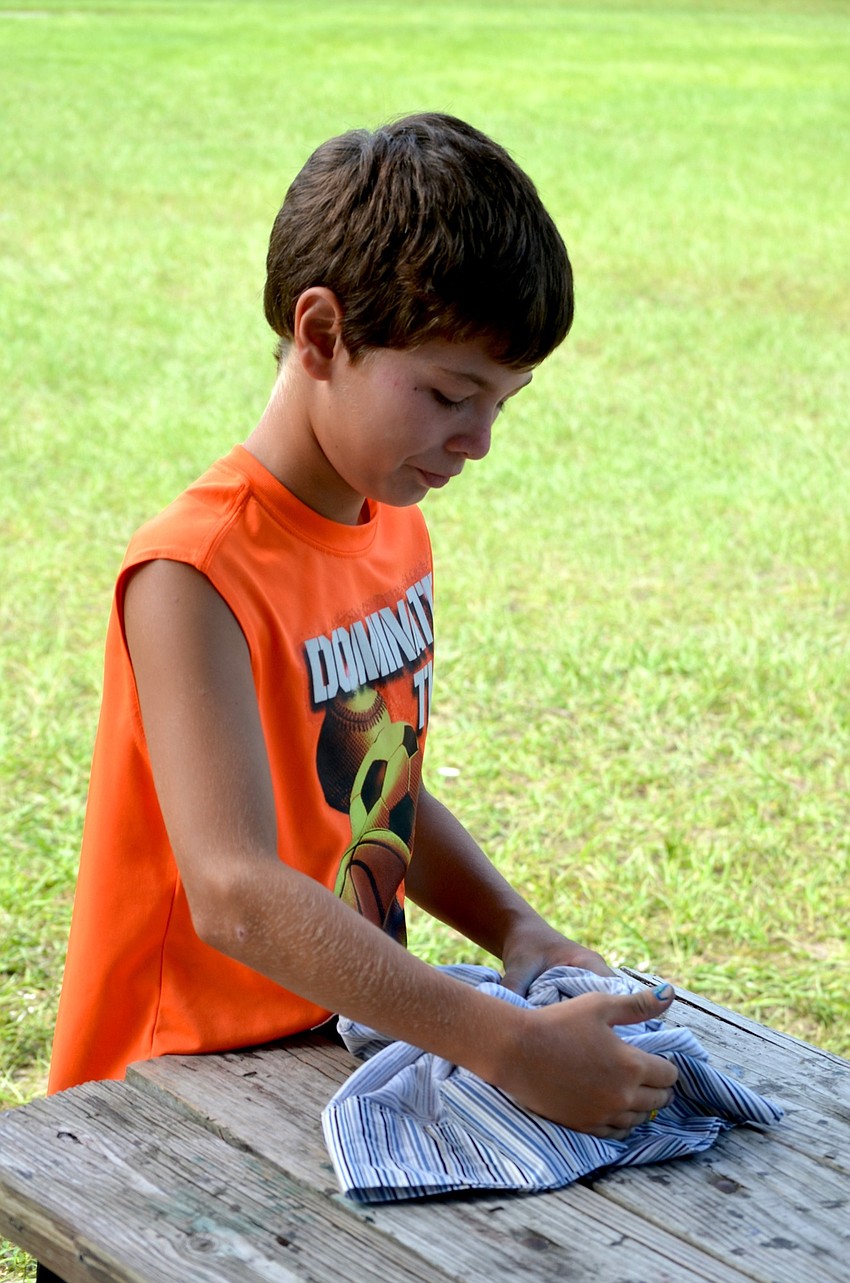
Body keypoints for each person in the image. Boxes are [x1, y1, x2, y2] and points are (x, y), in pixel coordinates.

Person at [47, 112, 678, 1137]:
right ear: (321, 333)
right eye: (447, 393)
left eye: (503, 404)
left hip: (335, 1048)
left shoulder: (393, 530)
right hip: (168, 1099)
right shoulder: (193, 572)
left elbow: (376, 789)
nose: (475, 441)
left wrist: (516, 929)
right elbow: (235, 892)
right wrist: (508, 1044)